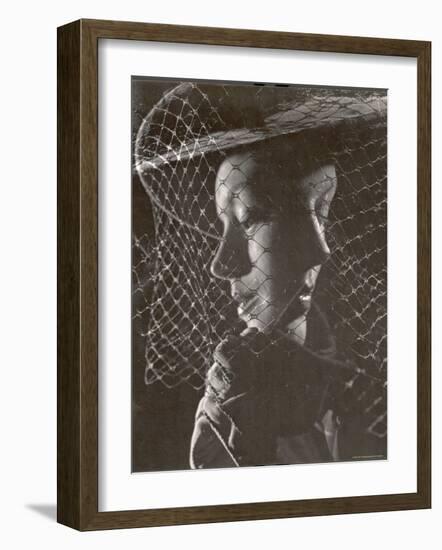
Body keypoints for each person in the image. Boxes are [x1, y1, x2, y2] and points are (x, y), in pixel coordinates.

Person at [134, 81, 387, 471]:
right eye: (225, 225)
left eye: (249, 218)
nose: (221, 264)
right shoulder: (230, 406)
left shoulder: (381, 387)